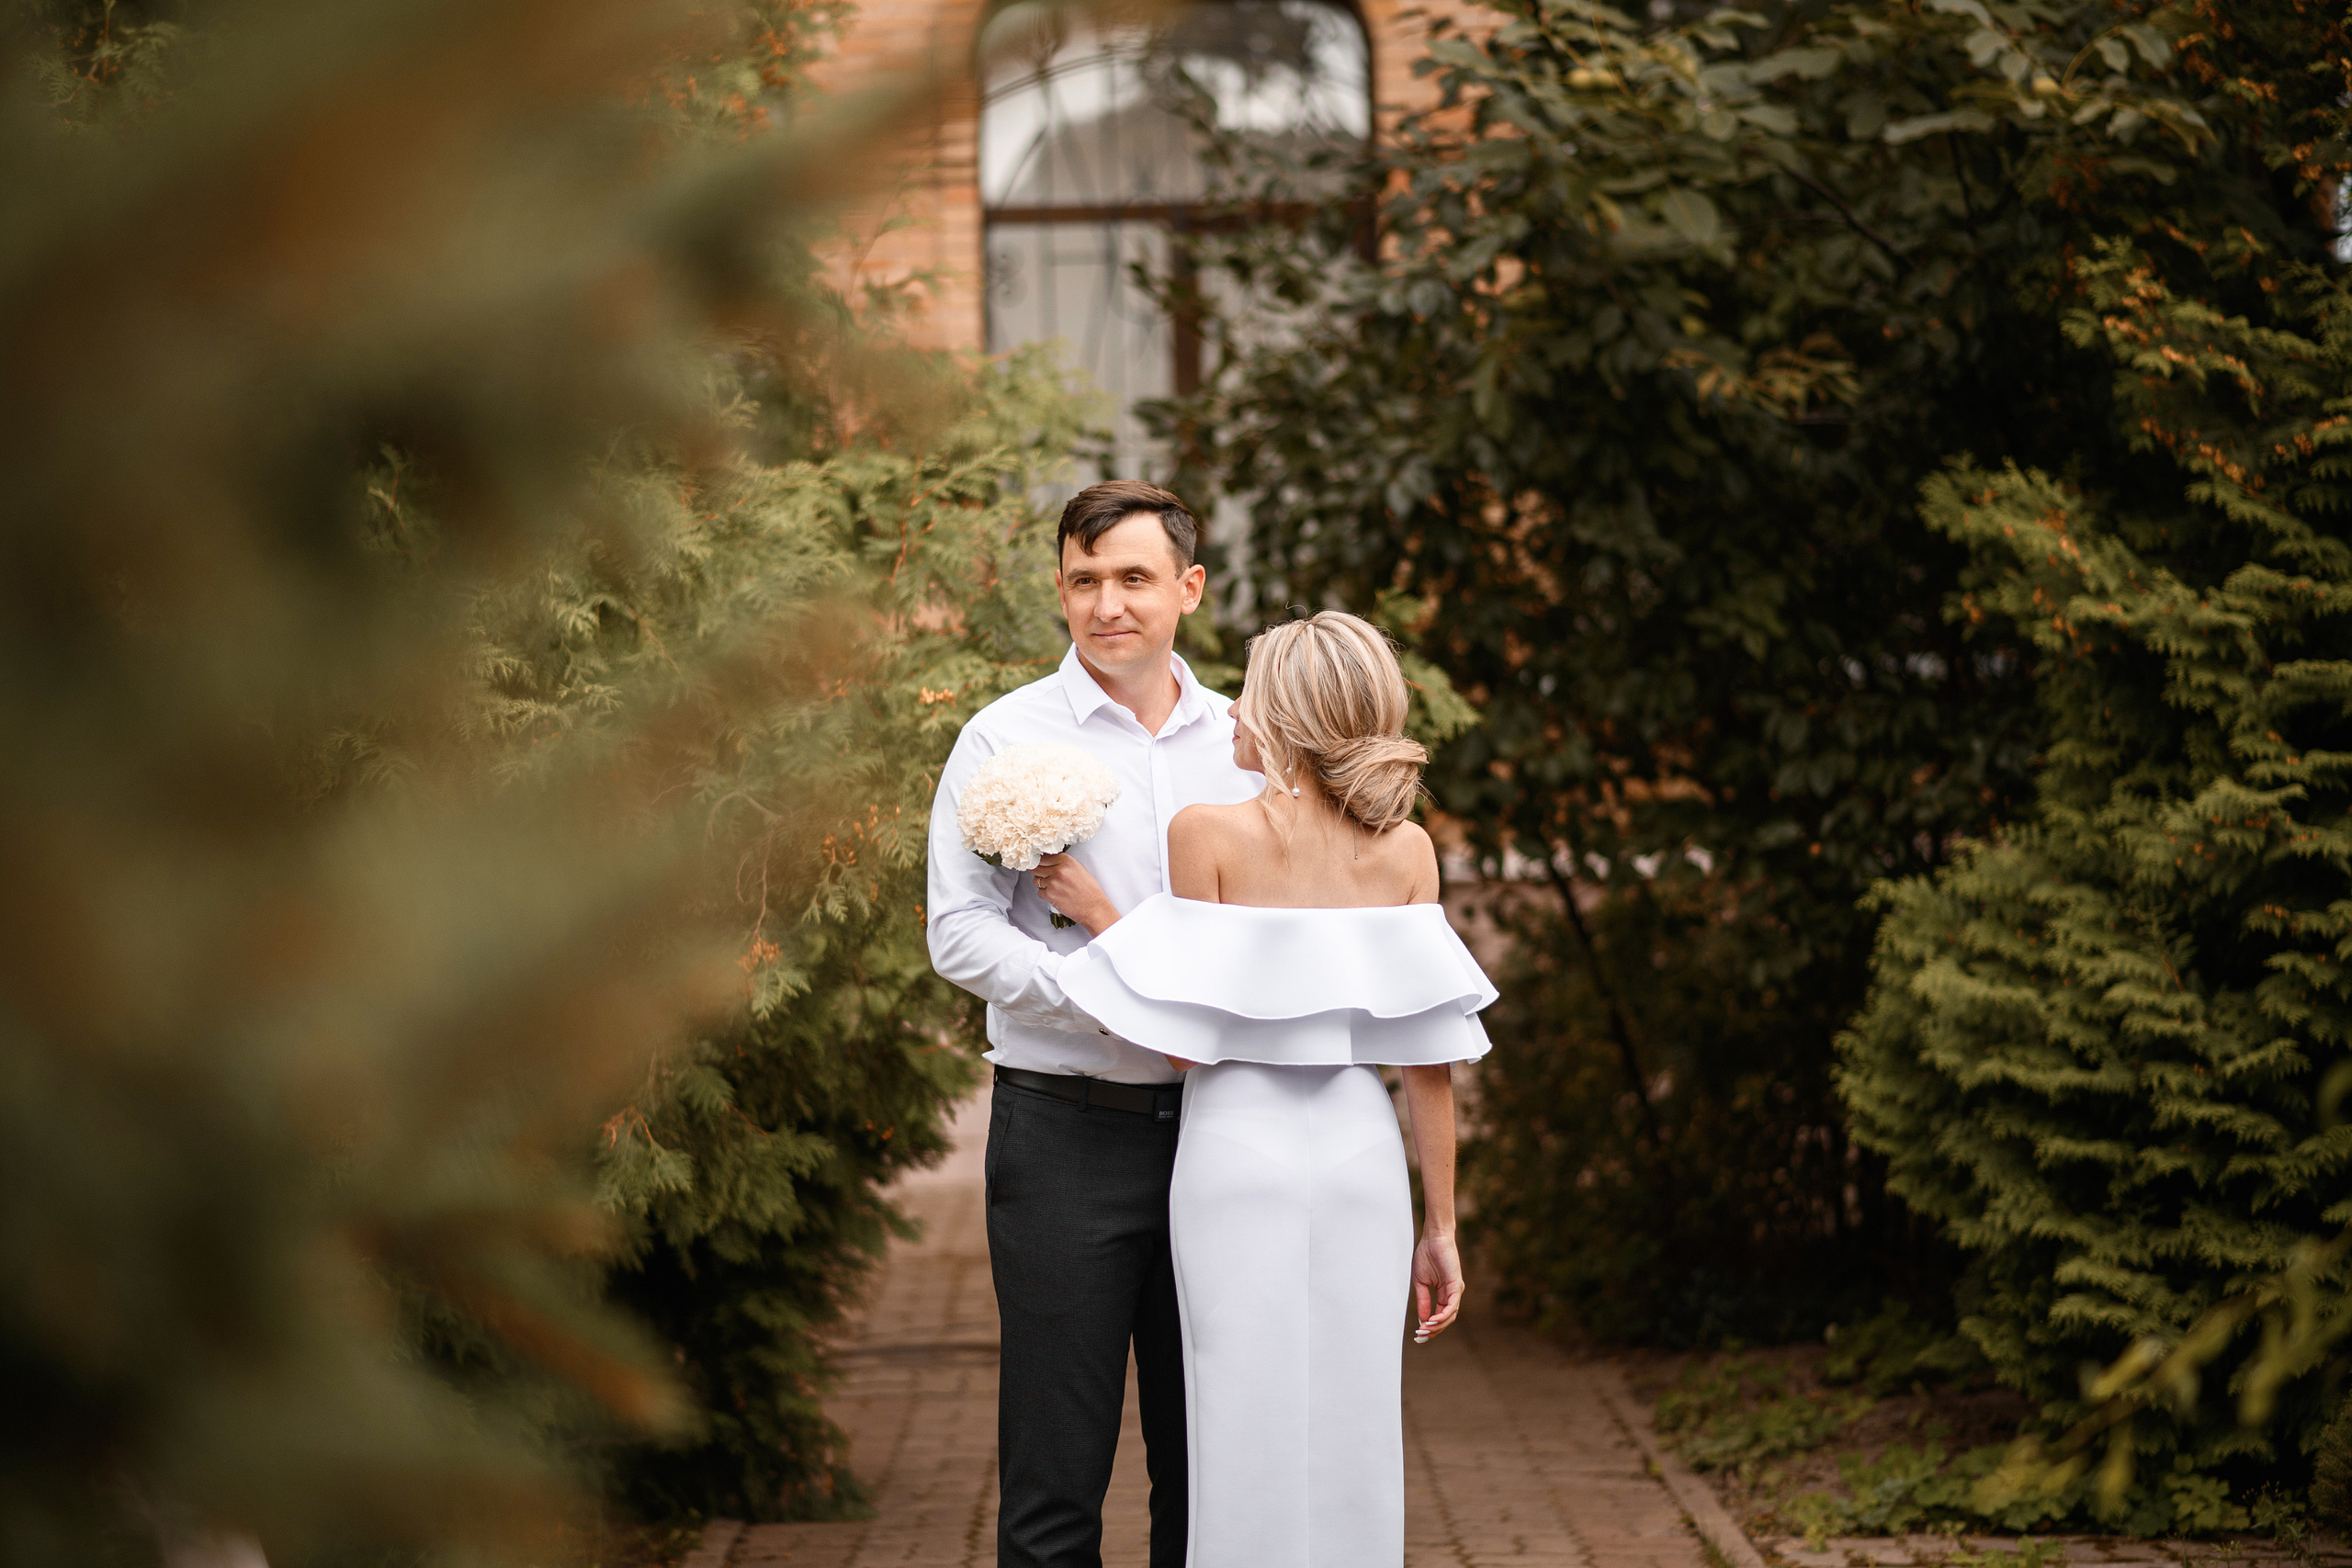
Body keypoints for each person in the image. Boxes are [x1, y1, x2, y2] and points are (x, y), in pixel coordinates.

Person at [1048, 609, 1497, 1568]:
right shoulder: (1407, 850)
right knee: (1358, 1418)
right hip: (1360, 1149)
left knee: (1235, 1413)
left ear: (1285, 713)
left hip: (1233, 1146)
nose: (1233, 713)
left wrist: (1100, 918)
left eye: (1247, 693)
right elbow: (1428, 1062)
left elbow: (1186, 1047)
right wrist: (1442, 1227)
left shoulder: (1204, 833)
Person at [925, 480, 1261, 1568]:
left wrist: (1130, 956)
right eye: (1083, 580)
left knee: (1204, 1466)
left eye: (1132, 578)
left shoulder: (1247, 745)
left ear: (1188, 589)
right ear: (1060, 591)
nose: (1106, 603)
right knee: (1054, 1474)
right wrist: (1115, 988)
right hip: (1063, 1134)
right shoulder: (1000, 738)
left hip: (1222, 1127)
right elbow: (960, 937)